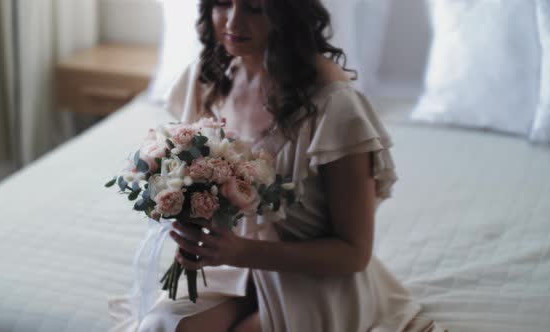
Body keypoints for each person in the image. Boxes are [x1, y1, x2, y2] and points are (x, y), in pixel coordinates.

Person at [109, 0, 446, 331]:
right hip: (232, 270)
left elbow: (355, 253)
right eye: (223, 3)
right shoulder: (208, 78)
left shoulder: (335, 106)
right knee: (162, 326)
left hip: (315, 278)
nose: (232, 22)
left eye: (255, 8)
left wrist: (242, 252)